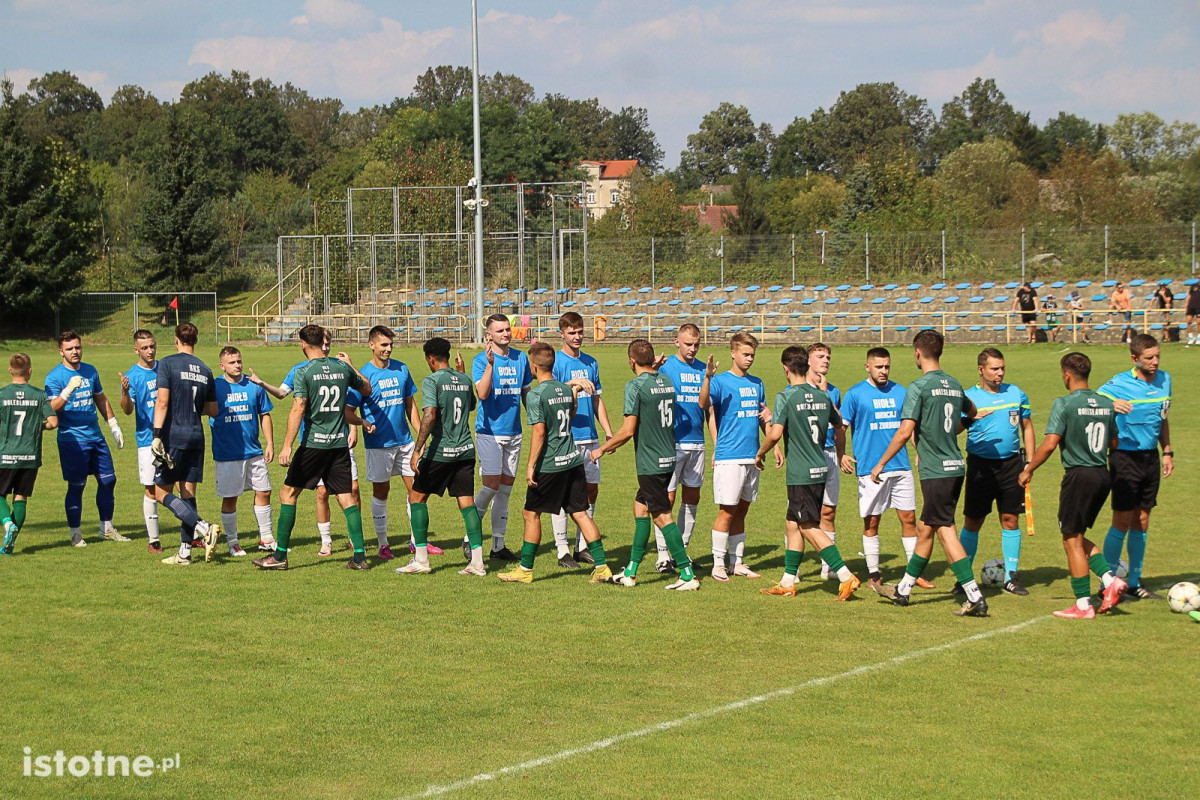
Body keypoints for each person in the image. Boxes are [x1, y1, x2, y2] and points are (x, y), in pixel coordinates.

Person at [870, 330, 987, 616]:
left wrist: (881, 463)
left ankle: (974, 595)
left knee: (945, 529)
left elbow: (905, 431)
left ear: (917, 353)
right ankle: (904, 589)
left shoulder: (919, 387)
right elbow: (971, 411)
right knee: (926, 528)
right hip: (955, 466)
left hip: (935, 471)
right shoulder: (955, 384)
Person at [253, 324, 373, 571]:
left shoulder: (304, 371)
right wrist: (350, 365)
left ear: (303, 344)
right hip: (338, 444)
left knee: (288, 494)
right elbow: (366, 388)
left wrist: (286, 445)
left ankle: (279, 556)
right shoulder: (341, 368)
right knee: (346, 497)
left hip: (313, 444)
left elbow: (298, 408)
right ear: (323, 342)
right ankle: (360, 557)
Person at [1018, 353, 1127, 618]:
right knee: (1077, 536)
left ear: (1067, 374)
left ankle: (1083, 604)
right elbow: (1114, 443)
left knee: (1070, 539)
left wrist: (1028, 468)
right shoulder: (1106, 403)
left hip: (1079, 476)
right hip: (1102, 474)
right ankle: (1110, 579)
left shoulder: (1064, 404)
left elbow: (1051, 443)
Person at [497, 343, 612, 584]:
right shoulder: (564, 388)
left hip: (550, 465)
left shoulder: (536, 395)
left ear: (534, 366)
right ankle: (602, 567)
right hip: (572, 460)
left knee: (530, 514)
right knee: (580, 513)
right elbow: (571, 413)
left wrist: (530, 466)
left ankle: (525, 570)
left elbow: (539, 432)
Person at [590, 339, 699, 590]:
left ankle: (686, 573)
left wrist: (601, 449)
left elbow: (628, 430)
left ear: (631, 361)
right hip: (668, 457)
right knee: (640, 509)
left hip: (650, 462)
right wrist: (655, 370)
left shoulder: (635, 386)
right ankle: (630, 572)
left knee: (662, 516)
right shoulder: (666, 382)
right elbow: (655, 383)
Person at [756, 350, 860, 600]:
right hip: (820, 467)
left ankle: (846, 575)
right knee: (792, 523)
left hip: (801, 473)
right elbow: (839, 424)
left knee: (808, 525)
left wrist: (759, 454)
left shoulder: (786, 396)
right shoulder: (823, 396)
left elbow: (775, 433)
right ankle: (788, 581)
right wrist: (841, 451)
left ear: (785, 368)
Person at [838, 347, 932, 591]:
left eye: (887, 366)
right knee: (872, 523)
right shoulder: (855, 394)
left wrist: (920, 451)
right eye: (878, 367)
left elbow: (908, 428)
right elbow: (841, 428)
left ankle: (913, 573)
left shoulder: (901, 392)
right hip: (870, 469)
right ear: (868, 367)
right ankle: (874, 573)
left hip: (900, 466)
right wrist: (841, 454)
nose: (883, 371)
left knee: (909, 518)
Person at [395, 338, 485, 576]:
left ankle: (421, 560)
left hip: (442, 451)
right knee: (467, 503)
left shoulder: (432, 380)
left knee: (416, 498)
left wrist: (418, 448)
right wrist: (462, 375)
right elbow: (472, 405)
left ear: (431, 359)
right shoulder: (464, 379)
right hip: (465, 450)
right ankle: (477, 562)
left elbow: (430, 414)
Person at [1098, 333, 1173, 601]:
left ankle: (1134, 581)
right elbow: (1089, 401)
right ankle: (1106, 582)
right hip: (1124, 457)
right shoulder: (1118, 383)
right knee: (1121, 520)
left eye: (1157, 356)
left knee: (1142, 520)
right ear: (1134, 359)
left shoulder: (1166, 380)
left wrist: (1167, 451)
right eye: (1149, 358)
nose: (1155, 362)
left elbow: (1163, 418)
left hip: (1150, 458)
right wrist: (1110, 404)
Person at [960, 348, 1035, 596]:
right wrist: (971, 418)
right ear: (981, 369)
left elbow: (1027, 426)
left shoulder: (1016, 394)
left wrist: (1030, 463)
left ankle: (1011, 577)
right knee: (973, 521)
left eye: (1002, 368)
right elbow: (954, 429)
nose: (1000, 373)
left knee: (1010, 519)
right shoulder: (969, 397)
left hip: (1011, 466)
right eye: (994, 368)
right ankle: (964, 578)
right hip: (980, 466)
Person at [44, 330, 127, 547]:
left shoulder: (91, 371)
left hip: (95, 437)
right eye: (70, 348)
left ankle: (106, 529)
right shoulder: (54, 377)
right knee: (77, 486)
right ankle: (75, 534)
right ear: (60, 351)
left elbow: (101, 399)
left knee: (109, 480)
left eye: (77, 347)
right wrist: (67, 391)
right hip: (72, 440)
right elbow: (51, 409)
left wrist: (113, 425)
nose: (75, 352)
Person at [699, 331, 769, 581]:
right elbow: (703, 403)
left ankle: (736, 562)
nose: (749, 358)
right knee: (726, 511)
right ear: (733, 353)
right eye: (745, 354)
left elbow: (763, 418)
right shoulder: (721, 382)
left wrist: (774, 445)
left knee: (742, 511)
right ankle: (717, 564)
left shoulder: (757, 383)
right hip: (729, 456)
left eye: (752, 354)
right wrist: (707, 378)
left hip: (753, 456)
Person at [150, 323, 222, 566]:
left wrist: (157, 434)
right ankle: (184, 553)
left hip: (175, 436)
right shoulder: (206, 369)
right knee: (188, 494)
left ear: (176, 339)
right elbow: (213, 410)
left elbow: (162, 401)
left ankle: (203, 527)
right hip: (196, 436)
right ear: (196, 340)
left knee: (161, 492)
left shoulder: (167, 363)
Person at [352, 325, 421, 563]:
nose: (388, 349)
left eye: (391, 345)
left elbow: (410, 404)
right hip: (378, 444)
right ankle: (383, 544)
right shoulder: (363, 375)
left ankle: (417, 541)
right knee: (381, 492)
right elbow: (349, 409)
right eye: (383, 345)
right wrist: (361, 423)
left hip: (405, 442)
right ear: (371, 345)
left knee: (416, 491)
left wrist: (420, 434)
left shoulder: (402, 369)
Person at [551, 312, 614, 568]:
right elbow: (550, 394)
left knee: (591, 490)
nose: (577, 337)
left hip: (590, 437)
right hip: (566, 437)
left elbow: (597, 399)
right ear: (562, 334)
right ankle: (562, 549)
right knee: (564, 494)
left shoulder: (591, 362)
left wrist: (608, 433)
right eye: (571, 332)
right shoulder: (556, 362)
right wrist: (572, 384)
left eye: (580, 331)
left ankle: (583, 547)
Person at [470, 314, 533, 562]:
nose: (505, 334)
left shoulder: (520, 358)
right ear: (489, 335)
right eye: (499, 331)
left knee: (505, 490)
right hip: (489, 432)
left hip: (514, 432)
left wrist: (537, 420)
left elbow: (526, 392)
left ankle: (498, 545)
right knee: (490, 485)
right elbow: (482, 394)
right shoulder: (479, 360)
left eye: (507, 329)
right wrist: (490, 365)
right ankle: (470, 536)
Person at [654, 323, 709, 572]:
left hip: (697, 443)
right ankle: (663, 555)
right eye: (688, 344)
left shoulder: (703, 370)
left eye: (696, 344)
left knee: (692, 497)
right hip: (672, 442)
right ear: (677, 342)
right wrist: (653, 371)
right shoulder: (666, 368)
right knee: (668, 498)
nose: (693, 349)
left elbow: (709, 409)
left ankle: (682, 552)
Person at [211, 346, 274, 558]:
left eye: (239, 361)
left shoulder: (253, 385)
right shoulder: (215, 387)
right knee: (231, 498)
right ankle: (233, 542)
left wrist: (270, 443)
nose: (237, 365)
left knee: (264, 491)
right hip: (227, 453)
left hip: (253, 451)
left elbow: (264, 414)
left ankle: (266, 539)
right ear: (222, 366)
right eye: (232, 362)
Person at [0, 354, 58, 554]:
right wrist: (38, 427)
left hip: (6, 454)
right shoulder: (40, 395)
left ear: (10, 370)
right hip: (30, 455)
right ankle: (11, 543)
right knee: (21, 497)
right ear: (30, 371)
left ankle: (8, 525)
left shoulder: (2, 395)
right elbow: (53, 422)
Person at [119, 330, 162, 550]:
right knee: (151, 489)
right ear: (136, 350)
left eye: (152, 346)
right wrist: (125, 393)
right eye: (144, 348)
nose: (150, 351)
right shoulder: (132, 376)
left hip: (171, 437)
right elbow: (127, 410)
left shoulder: (164, 368)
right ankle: (154, 540)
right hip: (147, 440)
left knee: (182, 486)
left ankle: (191, 535)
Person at [806, 342, 845, 580]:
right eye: (820, 356)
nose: (826, 360)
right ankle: (795, 567)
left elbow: (839, 426)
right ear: (808, 361)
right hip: (808, 455)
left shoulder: (835, 392)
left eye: (828, 356)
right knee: (803, 515)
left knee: (828, 512)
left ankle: (827, 567)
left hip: (829, 453)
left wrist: (841, 455)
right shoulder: (798, 389)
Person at [1185, 282, 1200, 347]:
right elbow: (1189, 295)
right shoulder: (1194, 286)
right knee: (1188, 321)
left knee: (1199, 322)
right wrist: (1186, 304)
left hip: (1199, 307)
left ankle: (1199, 337)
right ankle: (1191, 337)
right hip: (1191, 306)